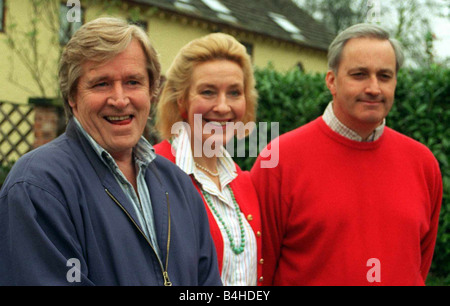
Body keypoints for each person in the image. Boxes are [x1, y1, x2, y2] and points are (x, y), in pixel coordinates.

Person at [0, 17, 222, 286]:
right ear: (72, 96)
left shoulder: (179, 185)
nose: (119, 99)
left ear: (152, 91)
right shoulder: (38, 186)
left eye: (133, 82)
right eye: (101, 84)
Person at [251, 23, 443, 286]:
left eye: (385, 76)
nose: (374, 88)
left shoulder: (423, 164)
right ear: (332, 80)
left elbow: (417, 266)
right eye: (360, 74)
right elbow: (259, 272)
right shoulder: (278, 161)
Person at [153, 33, 263, 285]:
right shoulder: (151, 173)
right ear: (181, 100)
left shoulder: (244, 182)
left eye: (235, 92)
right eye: (208, 92)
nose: (223, 107)